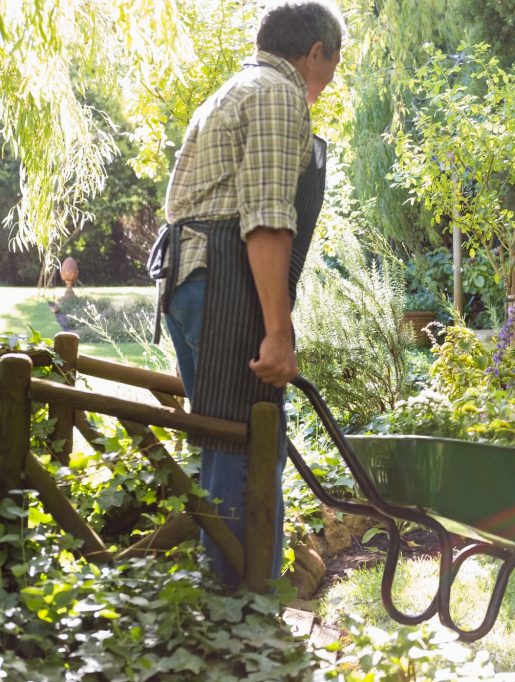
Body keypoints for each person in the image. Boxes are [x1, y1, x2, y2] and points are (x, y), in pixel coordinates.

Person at [152, 0, 344, 587]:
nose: (332, 77)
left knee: (227, 444)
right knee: (245, 446)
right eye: (335, 62)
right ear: (315, 53)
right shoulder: (277, 95)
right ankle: (245, 615)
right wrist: (278, 331)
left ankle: (229, 606)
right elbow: (264, 220)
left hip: (194, 280)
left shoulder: (236, 88)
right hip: (223, 284)